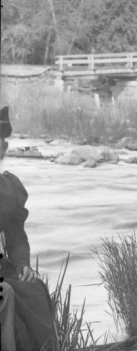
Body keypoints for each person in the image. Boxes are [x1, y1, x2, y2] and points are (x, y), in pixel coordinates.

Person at [0, 106, 56, 350]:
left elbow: (16, 237)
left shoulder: (9, 188)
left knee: (33, 289)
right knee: (6, 293)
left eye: (0, 143)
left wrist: (23, 264)